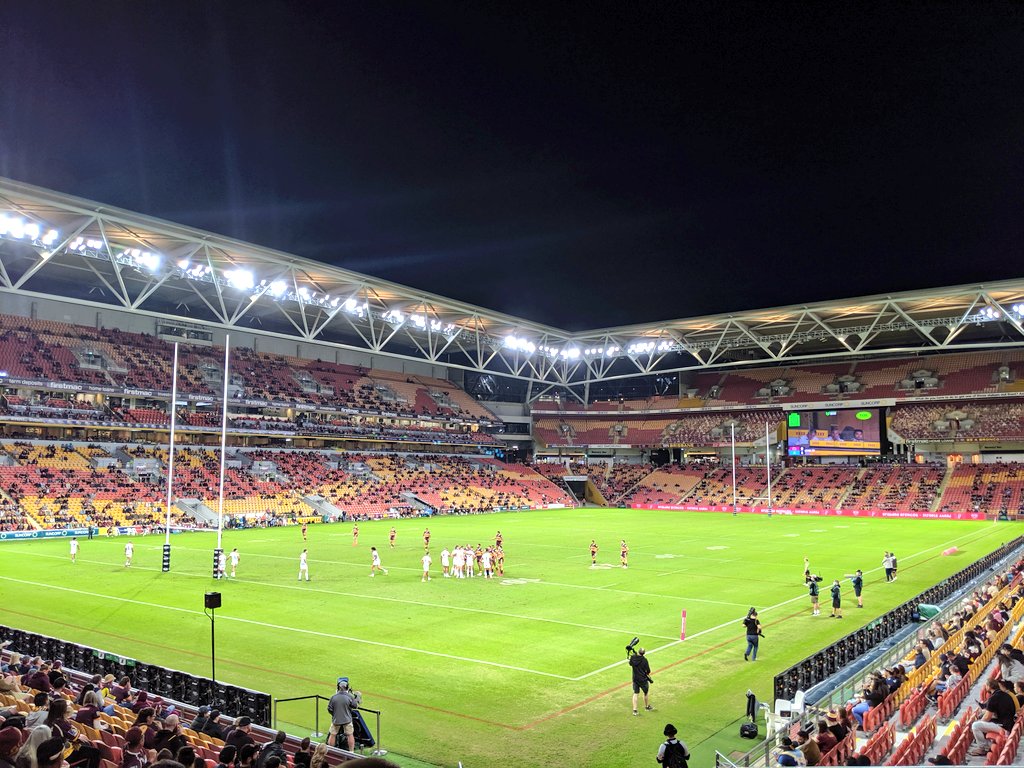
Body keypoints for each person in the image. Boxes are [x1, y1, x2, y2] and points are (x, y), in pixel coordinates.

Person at [970, 679, 1016, 755]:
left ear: (989, 687)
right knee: (982, 723)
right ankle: (990, 746)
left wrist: (980, 722)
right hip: (1009, 723)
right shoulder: (1006, 695)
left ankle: (982, 748)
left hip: (1004, 727)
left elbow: (987, 717)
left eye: (986, 685)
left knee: (975, 725)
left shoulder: (994, 698)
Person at [326, 678, 361, 752]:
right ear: (347, 687)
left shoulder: (333, 697)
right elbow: (355, 706)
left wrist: (334, 714)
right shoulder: (349, 696)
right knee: (350, 734)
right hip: (347, 719)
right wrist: (356, 699)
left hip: (336, 719)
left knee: (333, 734)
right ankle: (351, 752)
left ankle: (331, 751)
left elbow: (329, 709)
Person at [629, 648, 653, 716]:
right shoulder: (644, 660)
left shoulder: (633, 657)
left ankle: (635, 710)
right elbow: (648, 671)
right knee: (645, 693)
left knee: (635, 693)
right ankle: (647, 707)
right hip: (643, 680)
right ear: (644, 653)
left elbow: (630, 663)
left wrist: (633, 656)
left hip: (635, 679)